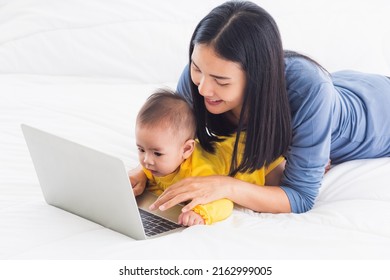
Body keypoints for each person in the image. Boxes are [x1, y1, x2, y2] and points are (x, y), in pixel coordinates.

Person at [130, 1, 390, 215]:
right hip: (344, 83)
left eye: (221, 81)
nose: (203, 89)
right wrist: (144, 172)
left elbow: (299, 197)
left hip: (378, 116)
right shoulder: (201, 76)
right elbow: (176, 138)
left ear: (258, 77)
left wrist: (224, 186)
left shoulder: (310, 90)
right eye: (197, 68)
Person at [132, 88, 285, 226]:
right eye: (141, 149)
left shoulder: (200, 173)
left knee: (282, 184)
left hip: (259, 157)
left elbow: (224, 203)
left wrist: (200, 213)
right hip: (229, 145)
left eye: (157, 153)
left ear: (186, 149)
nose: (146, 160)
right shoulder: (153, 167)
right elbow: (161, 188)